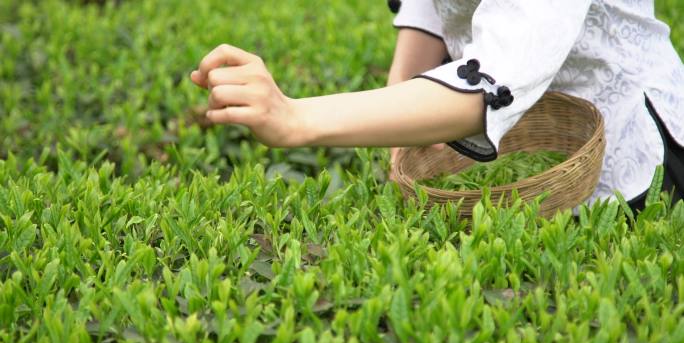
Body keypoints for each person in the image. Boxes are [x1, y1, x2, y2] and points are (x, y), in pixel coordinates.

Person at [190, 0, 684, 210]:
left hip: (628, 152)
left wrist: (294, 117)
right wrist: (399, 90)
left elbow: (494, 81)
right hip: (504, 141)